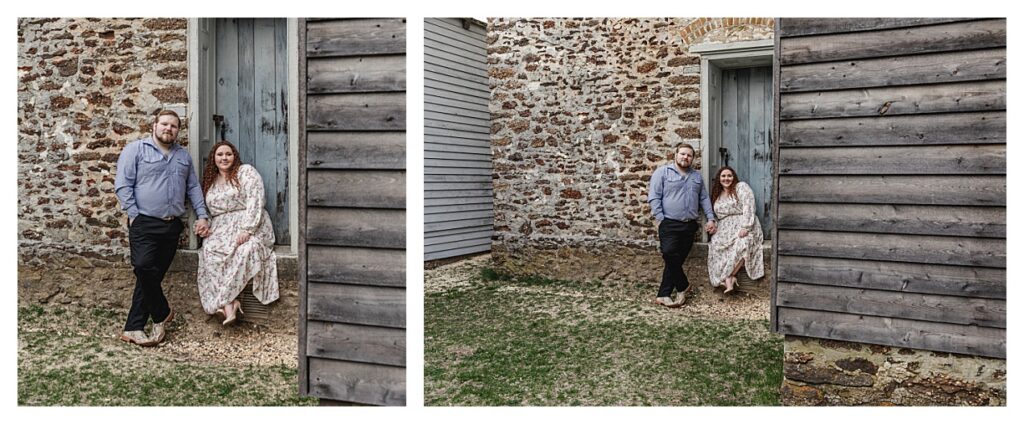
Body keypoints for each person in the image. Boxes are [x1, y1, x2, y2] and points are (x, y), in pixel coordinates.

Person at [115, 110, 210, 346]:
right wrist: (134, 215)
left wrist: (203, 215)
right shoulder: (135, 150)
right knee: (143, 267)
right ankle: (162, 312)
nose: (169, 129)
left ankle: (134, 328)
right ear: (154, 125)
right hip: (144, 222)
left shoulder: (183, 157)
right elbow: (123, 185)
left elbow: (193, 189)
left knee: (152, 277)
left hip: (171, 227)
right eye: (164, 124)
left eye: (174, 126)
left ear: (178, 130)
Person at [196, 141, 279, 325]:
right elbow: (210, 211)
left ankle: (224, 303)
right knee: (208, 251)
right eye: (220, 154)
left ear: (234, 156)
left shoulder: (245, 172)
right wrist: (204, 225)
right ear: (213, 158)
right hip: (220, 229)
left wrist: (247, 229)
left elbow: (255, 200)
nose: (224, 158)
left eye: (228, 154)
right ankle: (230, 304)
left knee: (246, 249)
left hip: (249, 224)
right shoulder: (211, 181)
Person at [648, 143, 717, 307]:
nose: (686, 157)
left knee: (675, 261)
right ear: (675, 155)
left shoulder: (696, 177)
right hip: (669, 224)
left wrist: (710, 218)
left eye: (689, 155)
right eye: (683, 154)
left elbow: (704, 199)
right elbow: (654, 196)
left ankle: (663, 295)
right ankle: (683, 285)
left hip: (689, 226)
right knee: (669, 253)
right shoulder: (662, 172)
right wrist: (660, 217)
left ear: (693, 158)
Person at [707, 166, 765, 294]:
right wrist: (714, 224)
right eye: (723, 176)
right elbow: (718, 215)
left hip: (743, 224)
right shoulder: (717, 194)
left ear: (734, 177)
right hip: (724, 228)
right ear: (719, 178)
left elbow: (749, 206)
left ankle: (728, 276)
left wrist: (746, 226)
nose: (726, 178)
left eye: (729, 176)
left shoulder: (741, 187)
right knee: (715, 245)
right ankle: (729, 278)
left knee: (744, 242)